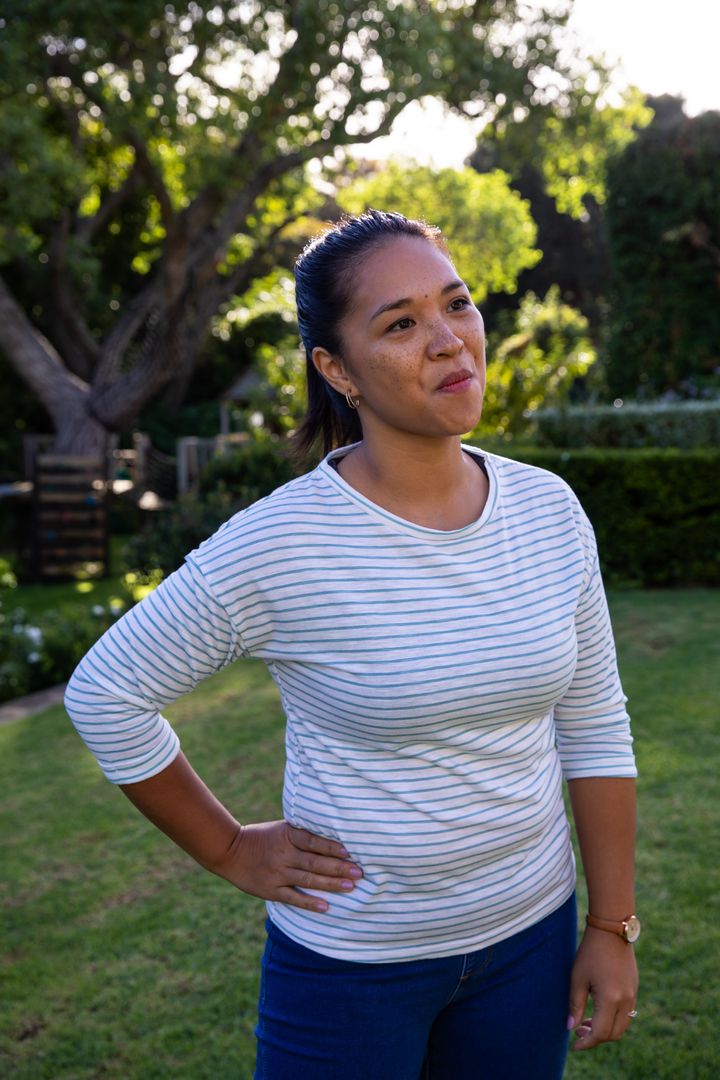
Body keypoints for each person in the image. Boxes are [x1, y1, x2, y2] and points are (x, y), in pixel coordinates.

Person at [65, 209, 639, 1079]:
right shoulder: (283, 543)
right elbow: (106, 694)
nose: (449, 340)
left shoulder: (550, 510)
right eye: (400, 324)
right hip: (352, 967)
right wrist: (228, 847)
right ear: (336, 369)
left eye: (457, 304)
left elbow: (594, 726)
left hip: (531, 941)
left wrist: (609, 925)